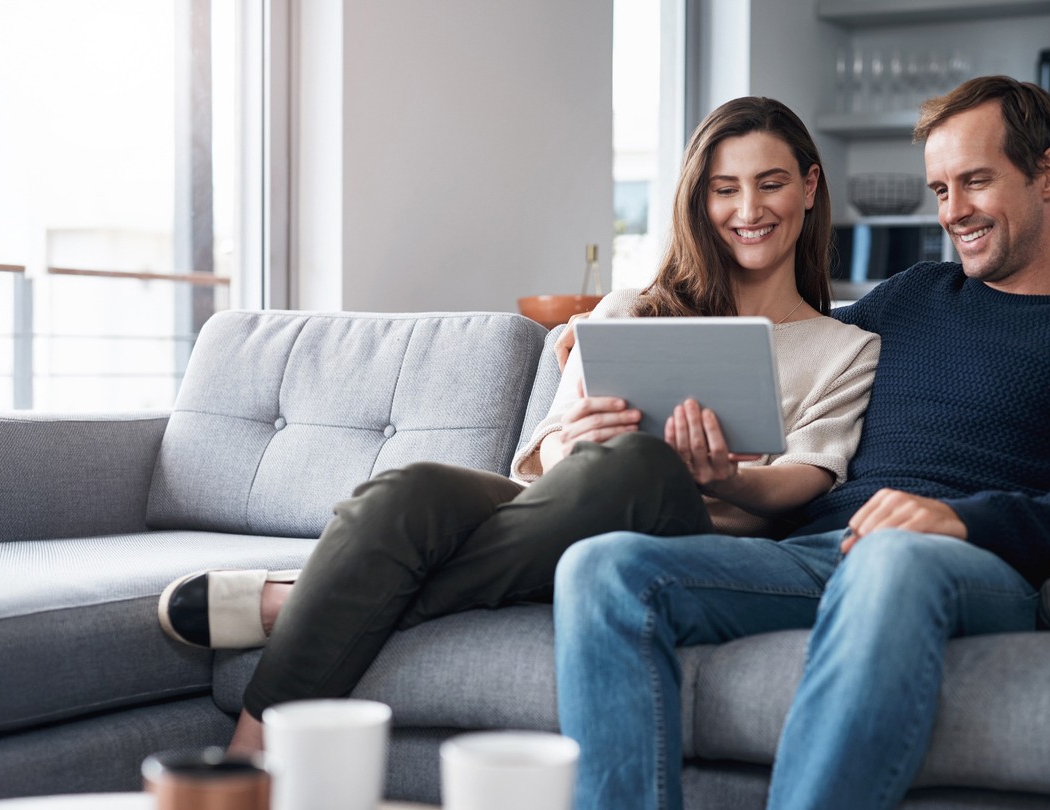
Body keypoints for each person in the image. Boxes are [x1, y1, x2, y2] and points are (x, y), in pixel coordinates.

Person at [155, 96, 880, 754]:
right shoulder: (632, 310)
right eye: (724, 188)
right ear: (699, 199)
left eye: (770, 183)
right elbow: (544, 454)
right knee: (410, 492)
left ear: (809, 186)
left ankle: (306, 602)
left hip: (691, 535)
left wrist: (726, 479)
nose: (748, 208)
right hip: (565, 507)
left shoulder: (845, 348)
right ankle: (246, 761)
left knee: (640, 465)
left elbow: (808, 477)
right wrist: (575, 440)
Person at [552, 75, 1050, 810]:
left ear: (1048, 173)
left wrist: (958, 518)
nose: (953, 211)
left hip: (969, 563)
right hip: (820, 551)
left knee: (890, 556)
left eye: (975, 181)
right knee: (603, 569)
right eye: (940, 189)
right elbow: (786, 336)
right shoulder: (913, 295)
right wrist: (613, 340)